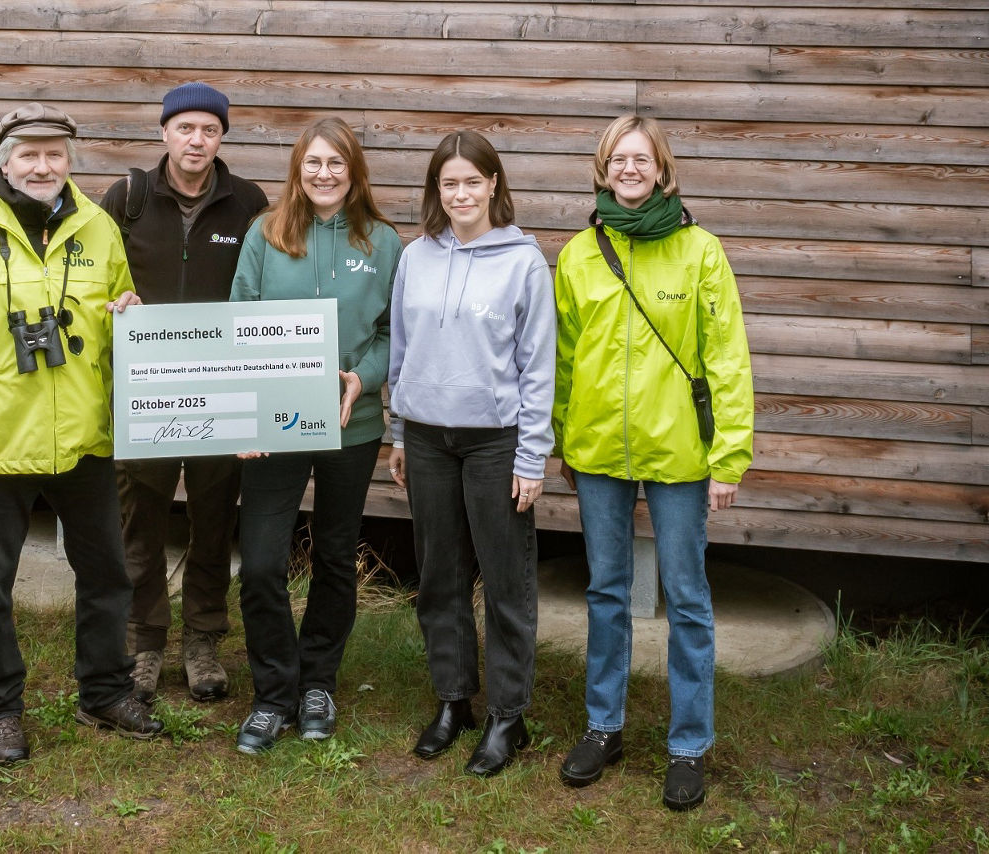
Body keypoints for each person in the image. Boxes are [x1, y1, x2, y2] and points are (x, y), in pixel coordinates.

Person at [0, 102, 163, 763]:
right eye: (30, 154)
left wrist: (127, 315)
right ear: (4, 160)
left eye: (55, 154)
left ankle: (104, 691)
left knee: (108, 576)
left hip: (83, 440)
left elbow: (112, 329)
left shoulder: (99, 229)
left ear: (70, 161)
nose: (43, 165)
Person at [552, 114, 753, 810]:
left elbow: (727, 359)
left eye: (641, 159)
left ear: (662, 170)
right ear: (602, 170)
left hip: (679, 457)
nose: (629, 170)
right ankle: (603, 727)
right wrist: (563, 440)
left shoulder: (700, 251)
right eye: (617, 159)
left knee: (688, 600)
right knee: (607, 592)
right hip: (600, 452)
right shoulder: (580, 253)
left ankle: (689, 744)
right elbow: (564, 358)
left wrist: (729, 456)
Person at [228, 117, 401, 754]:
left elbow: (393, 333)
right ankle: (273, 694)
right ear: (297, 170)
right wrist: (244, 414)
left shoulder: (383, 242)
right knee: (264, 564)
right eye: (313, 164)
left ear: (353, 172)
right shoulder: (265, 234)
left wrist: (366, 376)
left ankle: (318, 683)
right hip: (274, 425)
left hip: (349, 429)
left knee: (334, 556)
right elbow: (238, 323)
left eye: (337, 164)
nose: (324, 174)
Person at [387, 131, 556, 777]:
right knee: (440, 577)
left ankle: (509, 716)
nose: (460, 193)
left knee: (506, 579)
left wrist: (532, 456)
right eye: (448, 183)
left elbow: (538, 367)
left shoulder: (523, 263)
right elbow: (401, 354)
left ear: (493, 185)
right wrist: (400, 433)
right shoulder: (416, 257)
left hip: (495, 442)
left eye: (471, 181)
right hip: (428, 437)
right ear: (437, 191)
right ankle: (454, 700)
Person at [100, 83, 268, 704]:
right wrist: (113, 305)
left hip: (220, 392)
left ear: (222, 137)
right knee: (138, 521)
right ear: (164, 132)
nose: (197, 140)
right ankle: (143, 642)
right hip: (145, 393)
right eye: (186, 128)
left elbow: (264, 287)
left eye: (210, 130)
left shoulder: (247, 202)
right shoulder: (128, 199)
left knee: (213, 518)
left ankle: (202, 639)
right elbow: (93, 277)